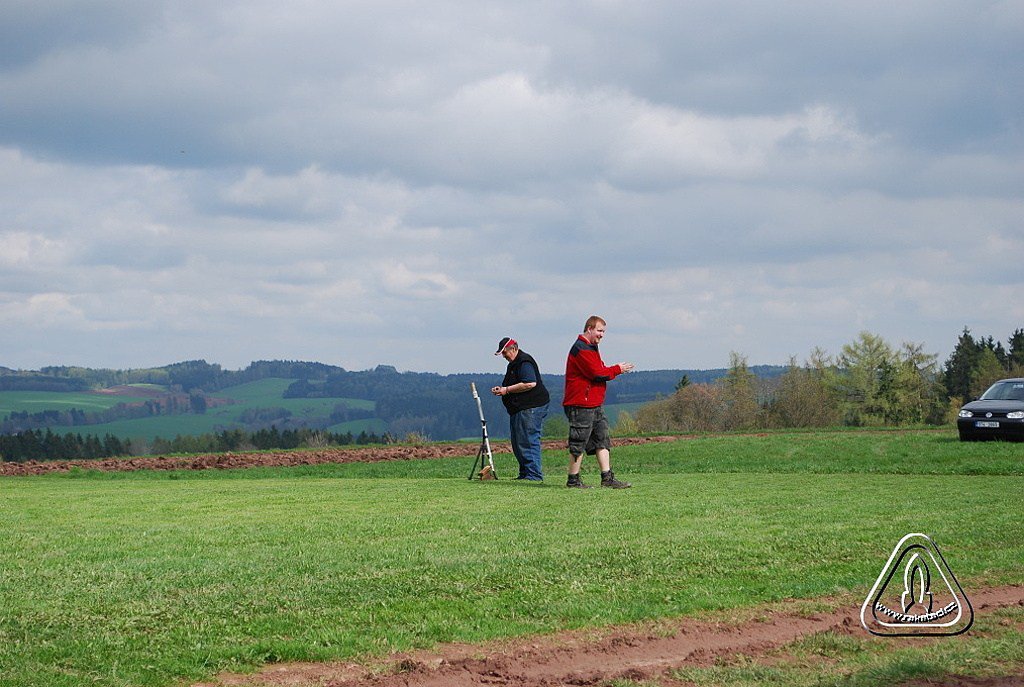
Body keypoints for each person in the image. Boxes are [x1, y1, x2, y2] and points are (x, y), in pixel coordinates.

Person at [563, 315, 634, 488]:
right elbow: (597, 373)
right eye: (599, 331)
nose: (602, 335)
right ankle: (573, 480)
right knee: (578, 442)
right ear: (589, 329)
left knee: (602, 439)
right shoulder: (581, 349)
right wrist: (618, 369)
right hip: (581, 404)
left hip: (594, 403)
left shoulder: (591, 347)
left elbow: (600, 369)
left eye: (603, 331)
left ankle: (607, 478)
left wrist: (609, 369)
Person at [492, 337, 550, 481]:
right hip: (520, 408)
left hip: (531, 407)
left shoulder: (524, 362)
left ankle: (533, 474)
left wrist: (506, 390)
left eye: (505, 353)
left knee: (527, 440)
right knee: (518, 441)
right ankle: (525, 473)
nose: (504, 356)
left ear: (513, 348)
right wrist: (502, 389)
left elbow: (530, 383)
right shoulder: (514, 363)